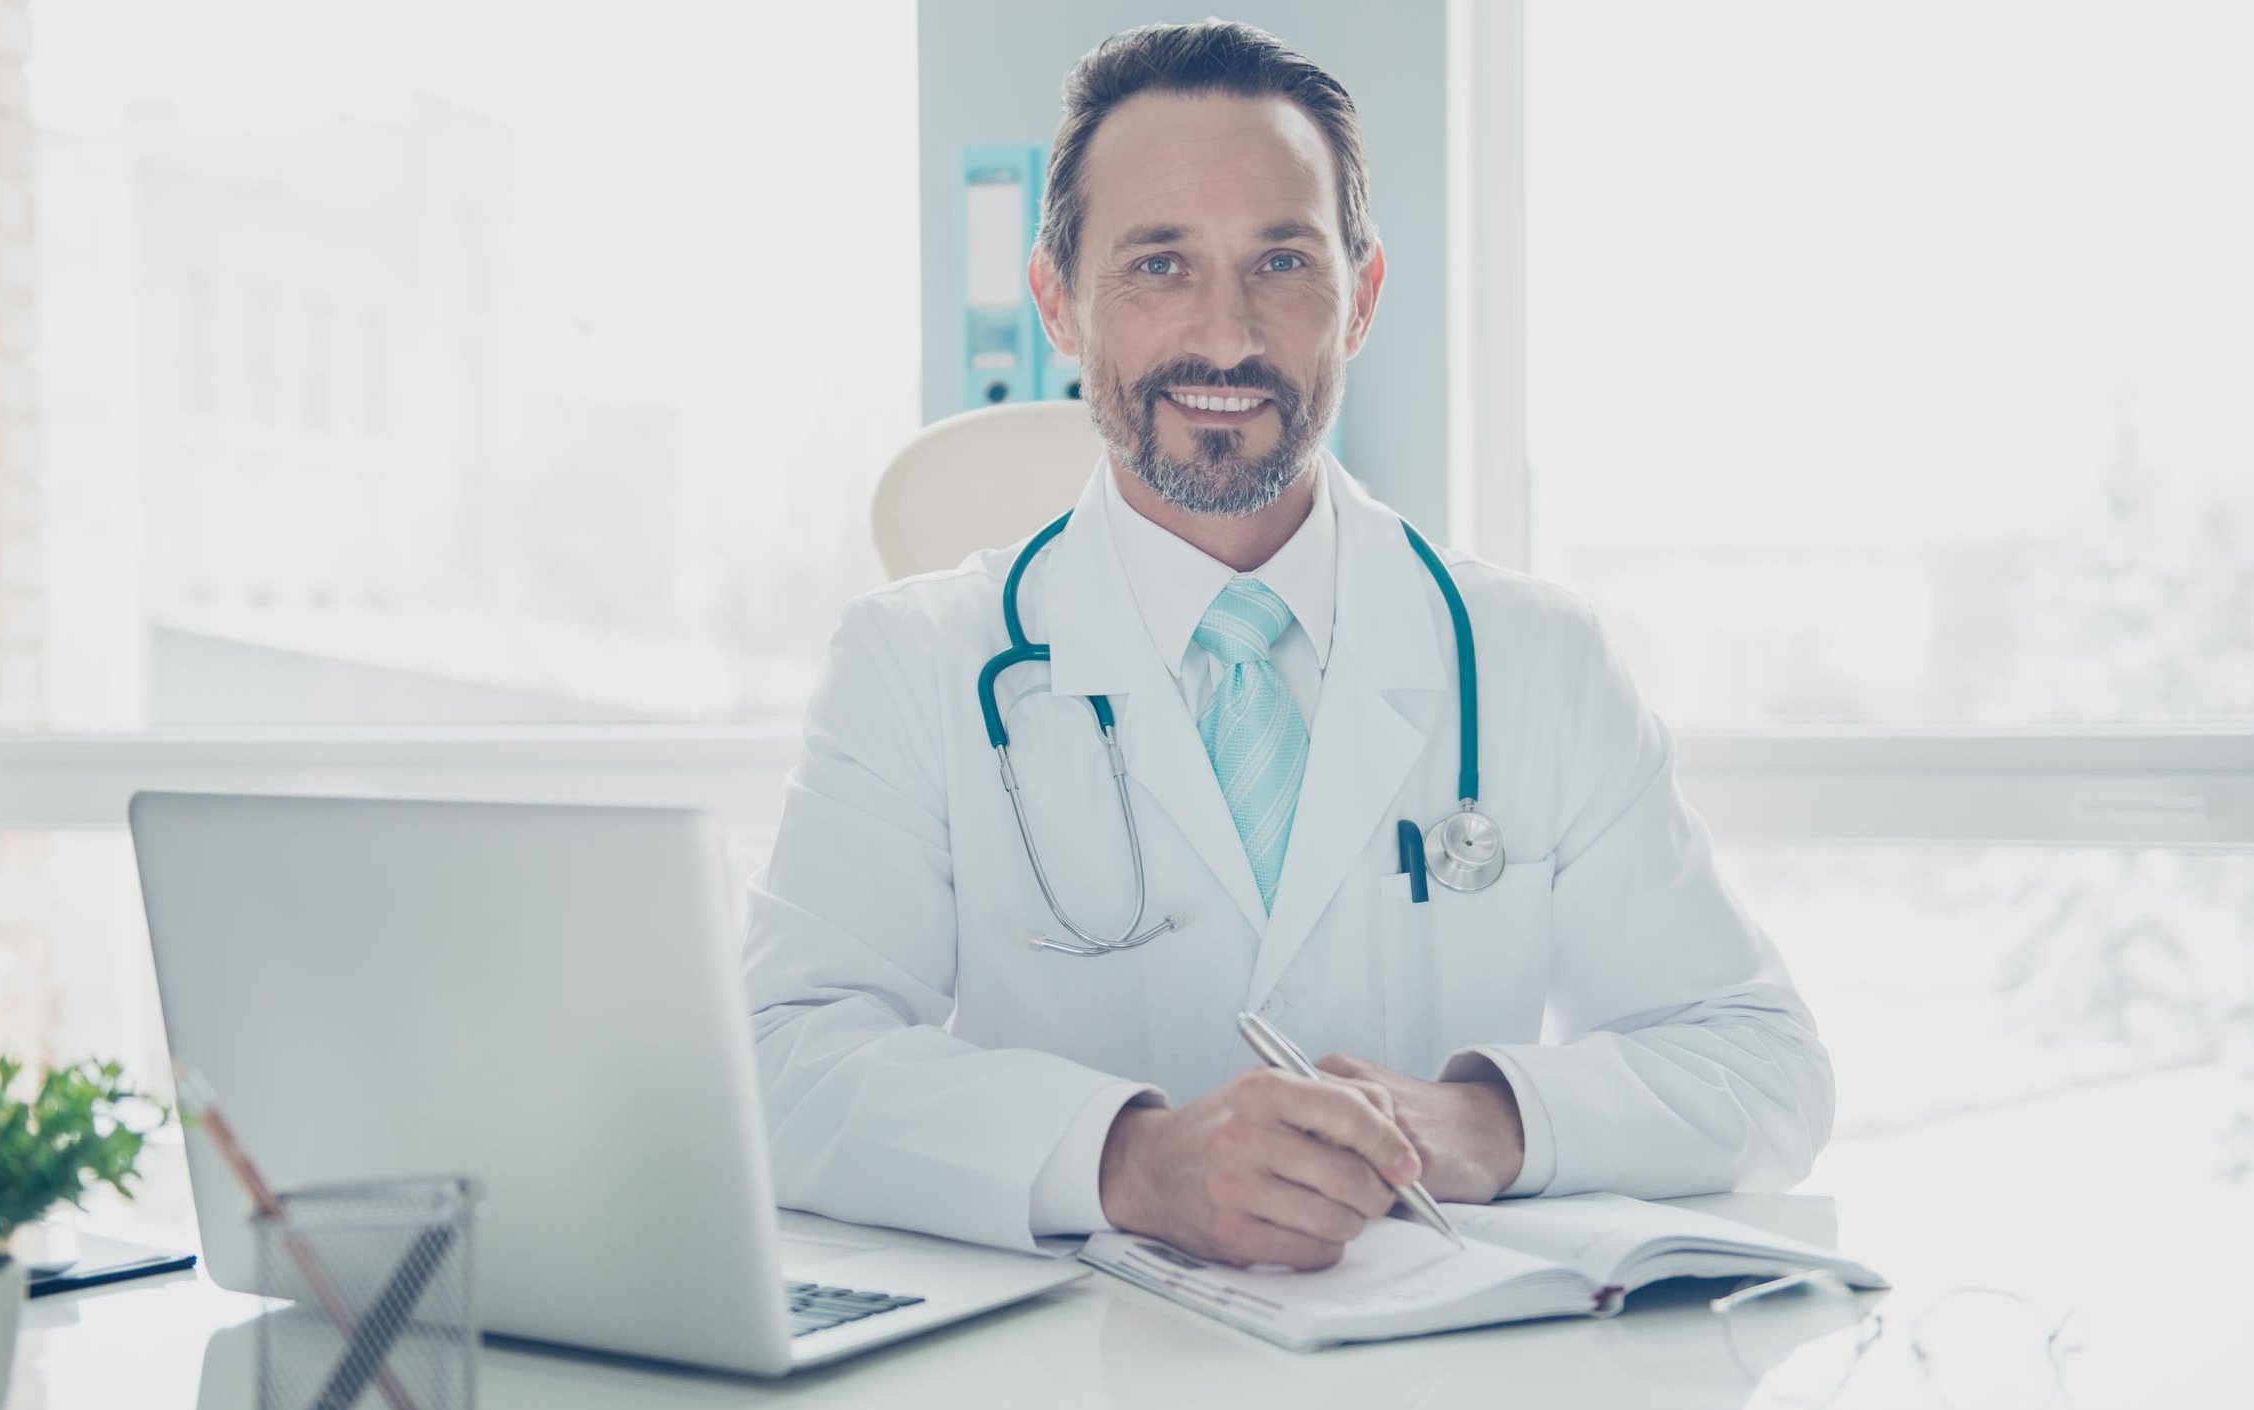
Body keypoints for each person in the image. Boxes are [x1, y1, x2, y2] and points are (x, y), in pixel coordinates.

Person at [742, 19, 1832, 1271]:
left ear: (1359, 298)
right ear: (1055, 300)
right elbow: (781, 1063)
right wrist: (1133, 1162)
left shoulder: (1532, 660)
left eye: (1281, 261)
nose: (1223, 335)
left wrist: (1476, 1125)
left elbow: (1761, 1066)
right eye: (1157, 264)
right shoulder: (913, 664)